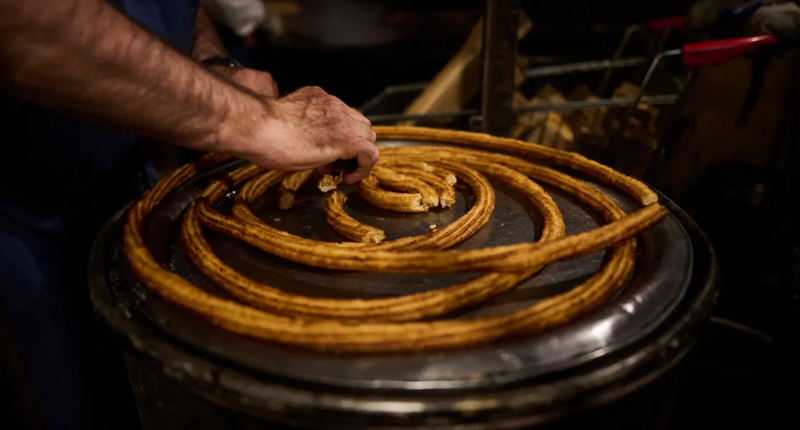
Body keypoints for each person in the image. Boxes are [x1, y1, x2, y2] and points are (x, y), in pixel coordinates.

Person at [0, 1, 378, 429]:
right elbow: (24, 23)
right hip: (22, 235)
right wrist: (256, 120)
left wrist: (210, 63)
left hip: (126, 177)